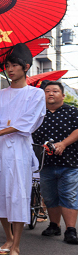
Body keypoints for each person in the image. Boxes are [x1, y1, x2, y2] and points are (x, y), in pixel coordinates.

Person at [0, 43, 46, 255]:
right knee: (0, 195)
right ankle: (8, 238)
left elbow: (26, 123)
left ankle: (16, 247)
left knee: (18, 196)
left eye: (14, 65)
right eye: (7, 65)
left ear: (26, 67)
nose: (9, 69)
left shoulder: (36, 94)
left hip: (18, 150)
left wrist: (0, 130)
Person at [33, 81, 78, 244]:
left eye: (55, 91)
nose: (51, 93)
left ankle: (71, 230)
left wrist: (64, 143)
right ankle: (54, 225)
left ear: (63, 95)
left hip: (69, 162)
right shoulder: (38, 113)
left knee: (69, 195)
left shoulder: (73, 111)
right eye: (47, 91)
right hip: (45, 163)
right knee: (50, 196)